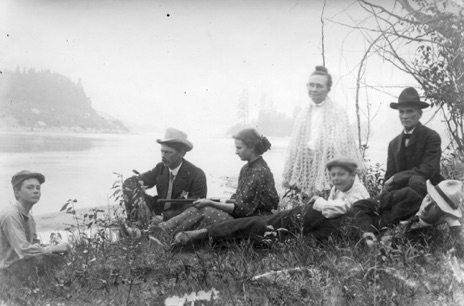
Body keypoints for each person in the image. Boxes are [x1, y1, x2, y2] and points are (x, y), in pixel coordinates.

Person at [174, 158, 370, 245]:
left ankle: (207, 236)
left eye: (341, 175)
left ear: (353, 175)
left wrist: (317, 201)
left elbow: (333, 210)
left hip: (322, 230)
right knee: (264, 226)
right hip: (314, 225)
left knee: (266, 232)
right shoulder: (341, 187)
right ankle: (206, 235)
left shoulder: (359, 195)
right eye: (333, 175)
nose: (335, 179)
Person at [151, 128, 280, 236]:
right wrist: (216, 202)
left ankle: (161, 230)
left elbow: (241, 210)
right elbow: (240, 201)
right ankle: (163, 228)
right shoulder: (247, 168)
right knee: (202, 208)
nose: (236, 152)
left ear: (251, 147)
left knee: (206, 210)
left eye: (239, 148)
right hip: (246, 217)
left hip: (255, 222)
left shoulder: (259, 172)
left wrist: (211, 203)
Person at [282, 66, 363, 197]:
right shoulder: (302, 115)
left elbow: (342, 146)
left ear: (328, 89)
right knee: (306, 207)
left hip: (330, 169)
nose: (314, 89)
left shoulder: (338, 113)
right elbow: (294, 148)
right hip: (307, 168)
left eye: (319, 86)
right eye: (311, 85)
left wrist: (319, 150)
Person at [123, 128, 207, 223]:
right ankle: (135, 224)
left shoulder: (197, 174)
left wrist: (165, 217)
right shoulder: (160, 167)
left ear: (182, 153)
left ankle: (149, 225)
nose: (163, 156)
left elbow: (194, 206)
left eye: (168, 152)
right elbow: (137, 180)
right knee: (129, 185)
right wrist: (139, 186)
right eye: (162, 151)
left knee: (193, 208)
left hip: (179, 217)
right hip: (159, 209)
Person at [353, 179, 463, 249]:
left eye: (436, 206)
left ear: (444, 215)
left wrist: (454, 225)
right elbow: (361, 205)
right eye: (428, 198)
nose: (426, 206)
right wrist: (367, 232)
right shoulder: (408, 196)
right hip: (353, 232)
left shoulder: (433, 238)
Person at [0, 171, 70, 272]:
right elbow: (24, 251)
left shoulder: (29, 217)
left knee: (60, 256)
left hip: (18, 264)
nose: (36, 191)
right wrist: (53, 249)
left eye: (38, 188)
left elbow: (33, 244)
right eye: (30, 187)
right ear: (17, 192)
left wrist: (55, 249)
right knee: (56, 260)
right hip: (5, 270)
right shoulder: (11, 215)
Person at [383, 87, 443, 193]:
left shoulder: (431, 137)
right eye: (401, 112)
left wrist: (397, 177)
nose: (405, 116)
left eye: (409, 111)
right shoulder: (393, 144)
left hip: (427, 194)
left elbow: (428, 170)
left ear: (420, 114)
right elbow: (389, 177)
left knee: (415, 181)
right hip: (401, 195)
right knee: (363, 205)